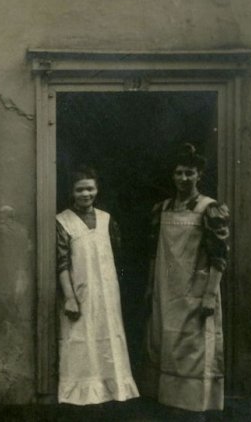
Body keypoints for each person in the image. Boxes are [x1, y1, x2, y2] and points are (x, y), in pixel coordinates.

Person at [141, 143, 229, 415]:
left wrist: (210, 295)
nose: (183, 178)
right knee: (164, 346)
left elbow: (219, 257)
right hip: (166, 291)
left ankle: (195, 410)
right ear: (172, 175)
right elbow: (154, 251)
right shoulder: (163, 208)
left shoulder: (210, 209)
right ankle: (168, 406)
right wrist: (149, 287)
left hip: (196, 291)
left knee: (194, 350)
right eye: (179, 173)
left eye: (189, 173)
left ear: (199, 174)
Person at [56, 166, 139, 409]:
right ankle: (82, 397)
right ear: (72, 192)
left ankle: (111, 394)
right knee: (80, 340)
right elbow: (61, 263)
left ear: (97, 189)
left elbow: (118, 257)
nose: (85, 194)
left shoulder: (107, 219)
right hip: (80, 291)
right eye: (80, 189)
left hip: (107, 292)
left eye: (90, 188)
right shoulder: (63, 222)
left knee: (108, 336)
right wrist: (70, 297)